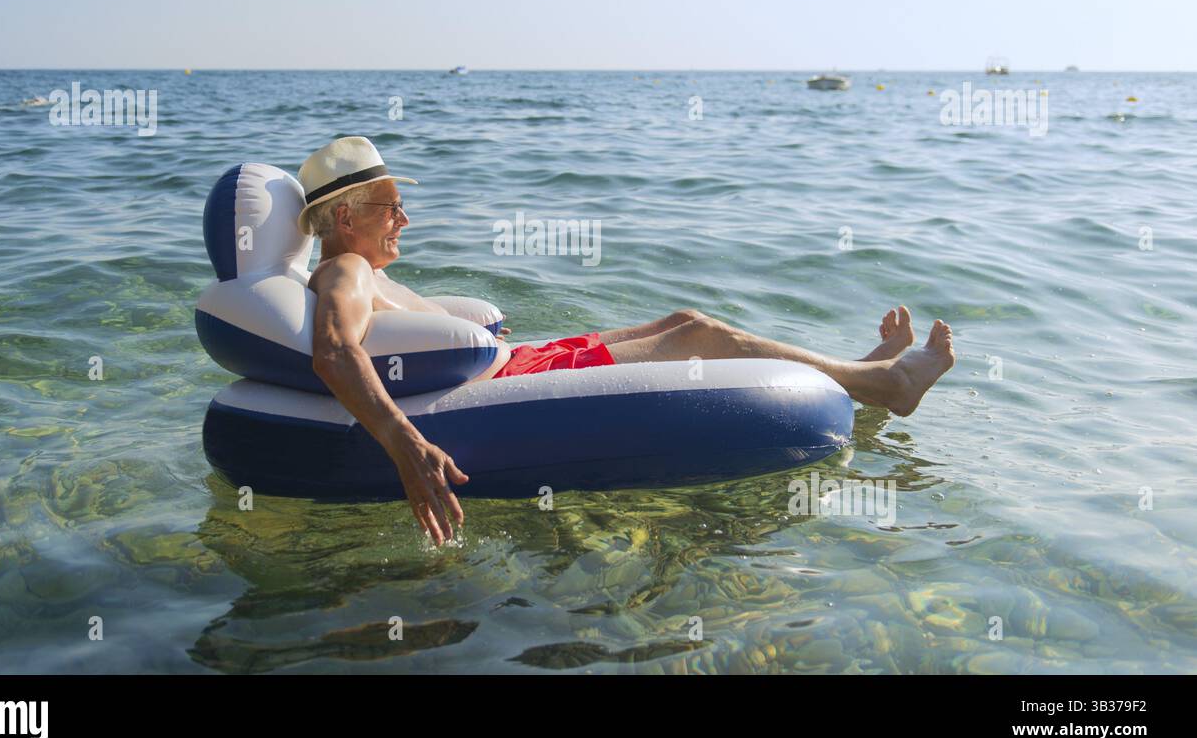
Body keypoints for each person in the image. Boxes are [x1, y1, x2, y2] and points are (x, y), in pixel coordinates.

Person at [300, 136, 955, 546]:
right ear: (348, 216)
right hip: (515, 381)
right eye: (391, 207)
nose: (405, 218)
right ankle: (889, 385)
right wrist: (406, 443)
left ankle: (863, 375)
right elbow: (333, 351)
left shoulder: (358, 270)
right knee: (700, 333)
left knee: (684, 320)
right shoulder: (347, 270)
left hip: (525, 359)